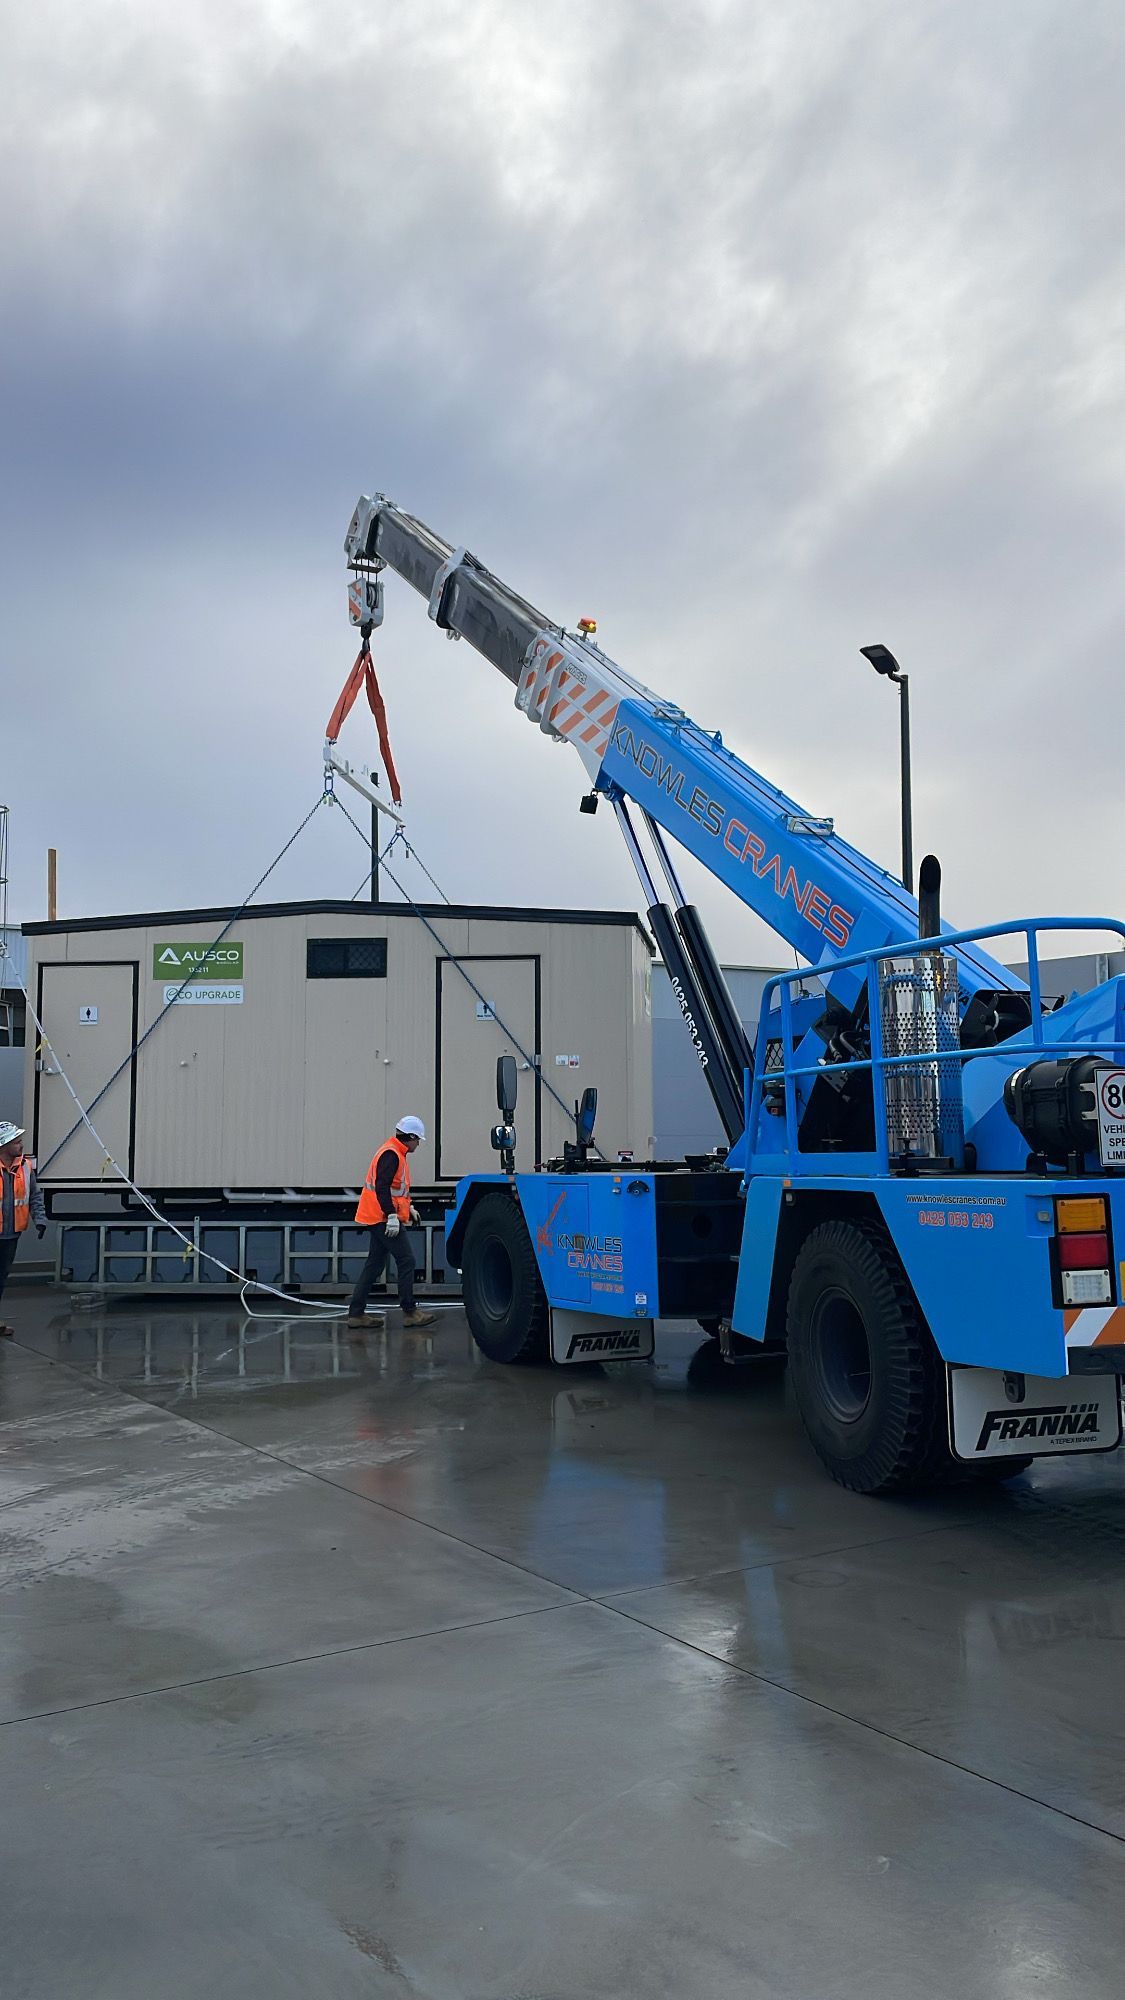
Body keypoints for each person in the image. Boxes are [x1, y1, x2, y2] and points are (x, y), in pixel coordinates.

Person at [347, 1114, 437, 1331]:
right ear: (411, 1136)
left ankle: (356, 1314)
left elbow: (396, 1189)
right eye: (418, 1140)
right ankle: (409, 1312)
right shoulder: (392, 1154)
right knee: (406, 1260)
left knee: (374, 1264)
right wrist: (392, 1216)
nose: (418, 1144)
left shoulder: (395, 1151)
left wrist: (409, 1208)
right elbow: (382, 1187)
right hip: (382, 1218)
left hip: (378, 1216)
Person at [0, 1122, 47, 1336]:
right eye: (16, 1142)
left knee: (1, 1279)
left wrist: (40, 1219)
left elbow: (34, 1196)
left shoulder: (25, 1167)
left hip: (11, 1235)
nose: (21, 1145)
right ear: (4, 1144)